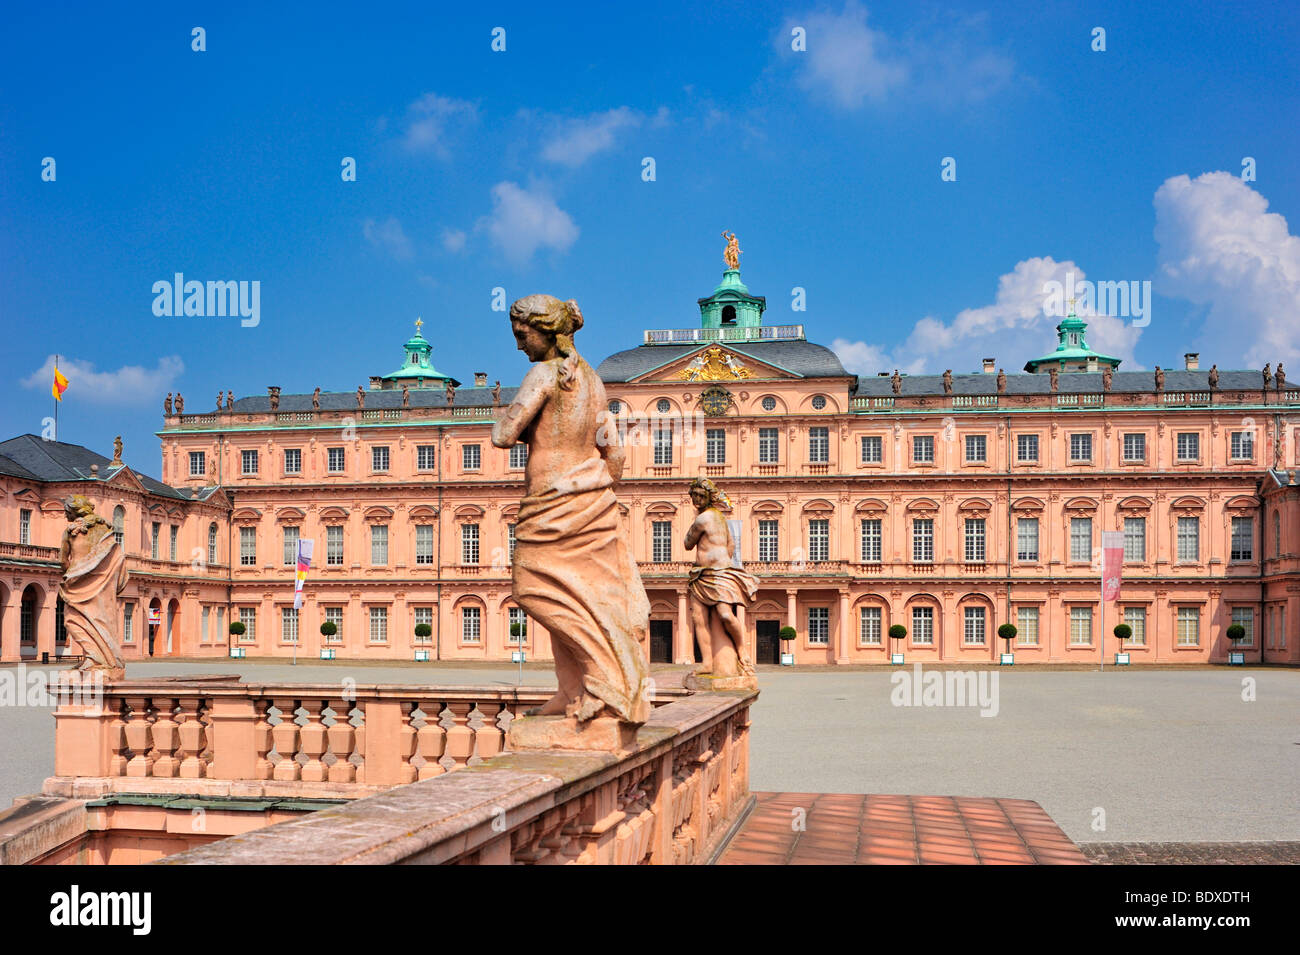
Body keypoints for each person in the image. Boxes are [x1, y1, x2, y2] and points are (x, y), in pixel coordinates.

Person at [491, 294, 650, 724]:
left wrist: (523, 421)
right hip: (591, 499)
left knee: (535, 589)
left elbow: (503, 434)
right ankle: (571, 689)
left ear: (544, 332)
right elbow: (613, 456)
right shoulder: (595, 381)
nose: (518, 346)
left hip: (550, 501)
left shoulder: (542, 374)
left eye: (522, 335)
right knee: (581, 593)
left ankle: (603, 679)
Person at [684, 477, 758, 679]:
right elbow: (731, 546)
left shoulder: (703, 519)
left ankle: (742, 650)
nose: (697, 500)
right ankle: (708, 662)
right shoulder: (721, 519)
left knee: (725, 614)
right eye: (694, 496)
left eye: (701, 496)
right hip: (701, 574)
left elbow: (687, 543)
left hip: (719, 574)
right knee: (698, 618)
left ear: (708, 498)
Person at [59, 495, 127, 680]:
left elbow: (63, 560)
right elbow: (118, 556)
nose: (66, 516)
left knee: (73, 620)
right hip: (104, 582)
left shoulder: (71, 530)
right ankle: (106, 661)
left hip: (77, 582)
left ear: (73, 511)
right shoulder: (106, 529)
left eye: (66, 512)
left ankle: (94, 658)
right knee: (103, 620)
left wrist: (74, 572)